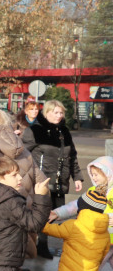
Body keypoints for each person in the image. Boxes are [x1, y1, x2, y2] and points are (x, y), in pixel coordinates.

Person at [25, 99, 84, 259]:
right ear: (47, 113)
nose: (59, 115)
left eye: (61, 113)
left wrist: (77, 177)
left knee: (56, 215)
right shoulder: (35, 130)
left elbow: (72, 156)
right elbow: (23, 153)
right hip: (42, 182)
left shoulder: (64, 131)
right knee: (41, 214)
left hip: (60, 182)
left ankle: (45, 246)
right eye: (56, 112)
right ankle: (39, 246)